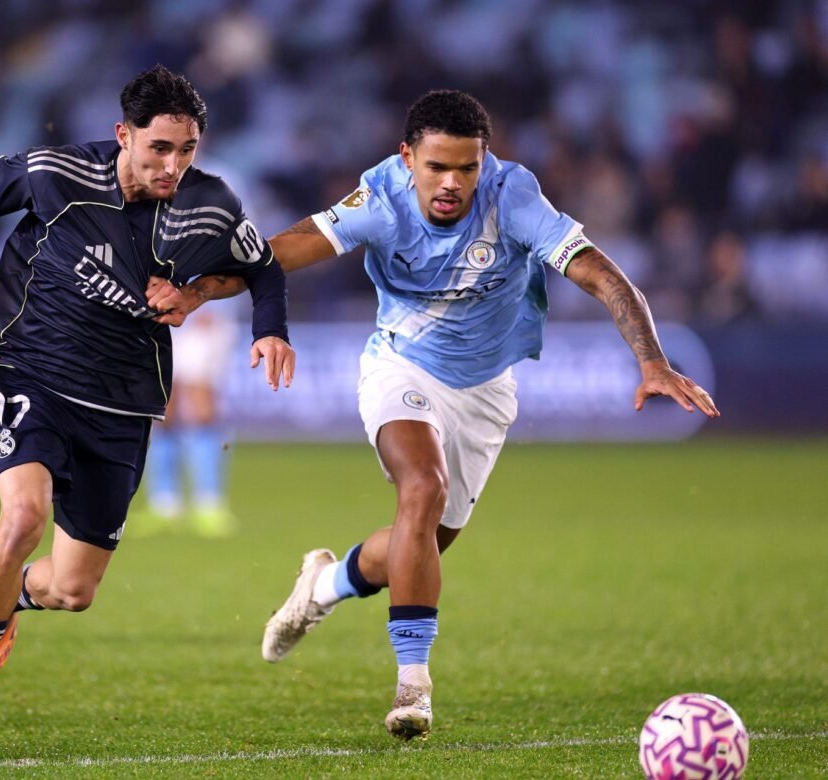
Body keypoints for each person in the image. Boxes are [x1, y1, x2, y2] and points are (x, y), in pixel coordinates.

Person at [147, 89, 720, 741]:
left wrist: (651, 359)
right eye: (437, 167)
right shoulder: (380, 198)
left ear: (484, 161)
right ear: (407, 158)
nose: (452, 183)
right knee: (422, 487)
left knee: (419, 542)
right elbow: (278, 252)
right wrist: (197, 292)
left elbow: (599, 273)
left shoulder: (513, 196)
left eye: (467, 168)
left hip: (487, 390)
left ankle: (324, 585)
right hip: (401, 365)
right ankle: (413, 685)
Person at [0, 65, 295, 758]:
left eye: (187, 149)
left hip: (123, 403)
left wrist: (262, 325)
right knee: (22, 518)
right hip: (35, 373)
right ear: (124, 135)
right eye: (159, 149)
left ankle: (10, 598)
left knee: (72, 590)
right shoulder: (55, 173)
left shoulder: (209, 204)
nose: (173, 165)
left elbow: (261, 267)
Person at [134, 303, 241, 537]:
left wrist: (214, 306)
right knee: (163, 410)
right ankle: (165, 504)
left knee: (202, 410)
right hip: (161, 316)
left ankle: (209, 503)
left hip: (204, 315)